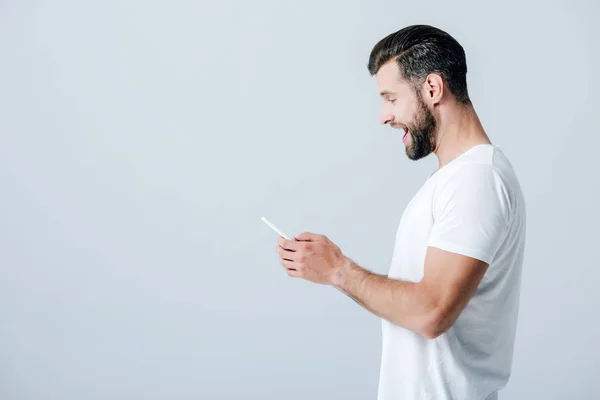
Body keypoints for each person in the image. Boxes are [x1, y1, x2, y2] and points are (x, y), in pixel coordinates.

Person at [275, 24, 526, 400]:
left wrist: (338, 270)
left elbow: (432, 312)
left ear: (432, 89)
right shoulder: (455, 179)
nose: (383, 116)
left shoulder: (477, 179)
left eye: (391, 99)